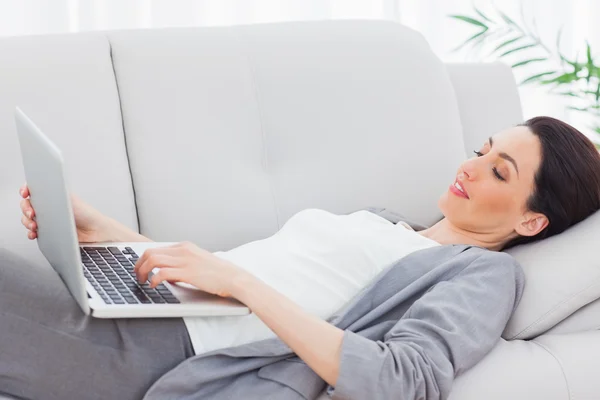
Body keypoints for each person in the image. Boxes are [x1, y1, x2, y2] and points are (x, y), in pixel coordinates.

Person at [5, 116, 600, 399]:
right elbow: (220, 279)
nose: (469, 165)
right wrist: (102, 230)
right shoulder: (386, 222)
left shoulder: (483, 273)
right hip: (153, 312)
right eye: (482, 149)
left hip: (169, 354)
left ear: (531, 220)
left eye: (499, 170)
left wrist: (240, 283)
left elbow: (406, 380)